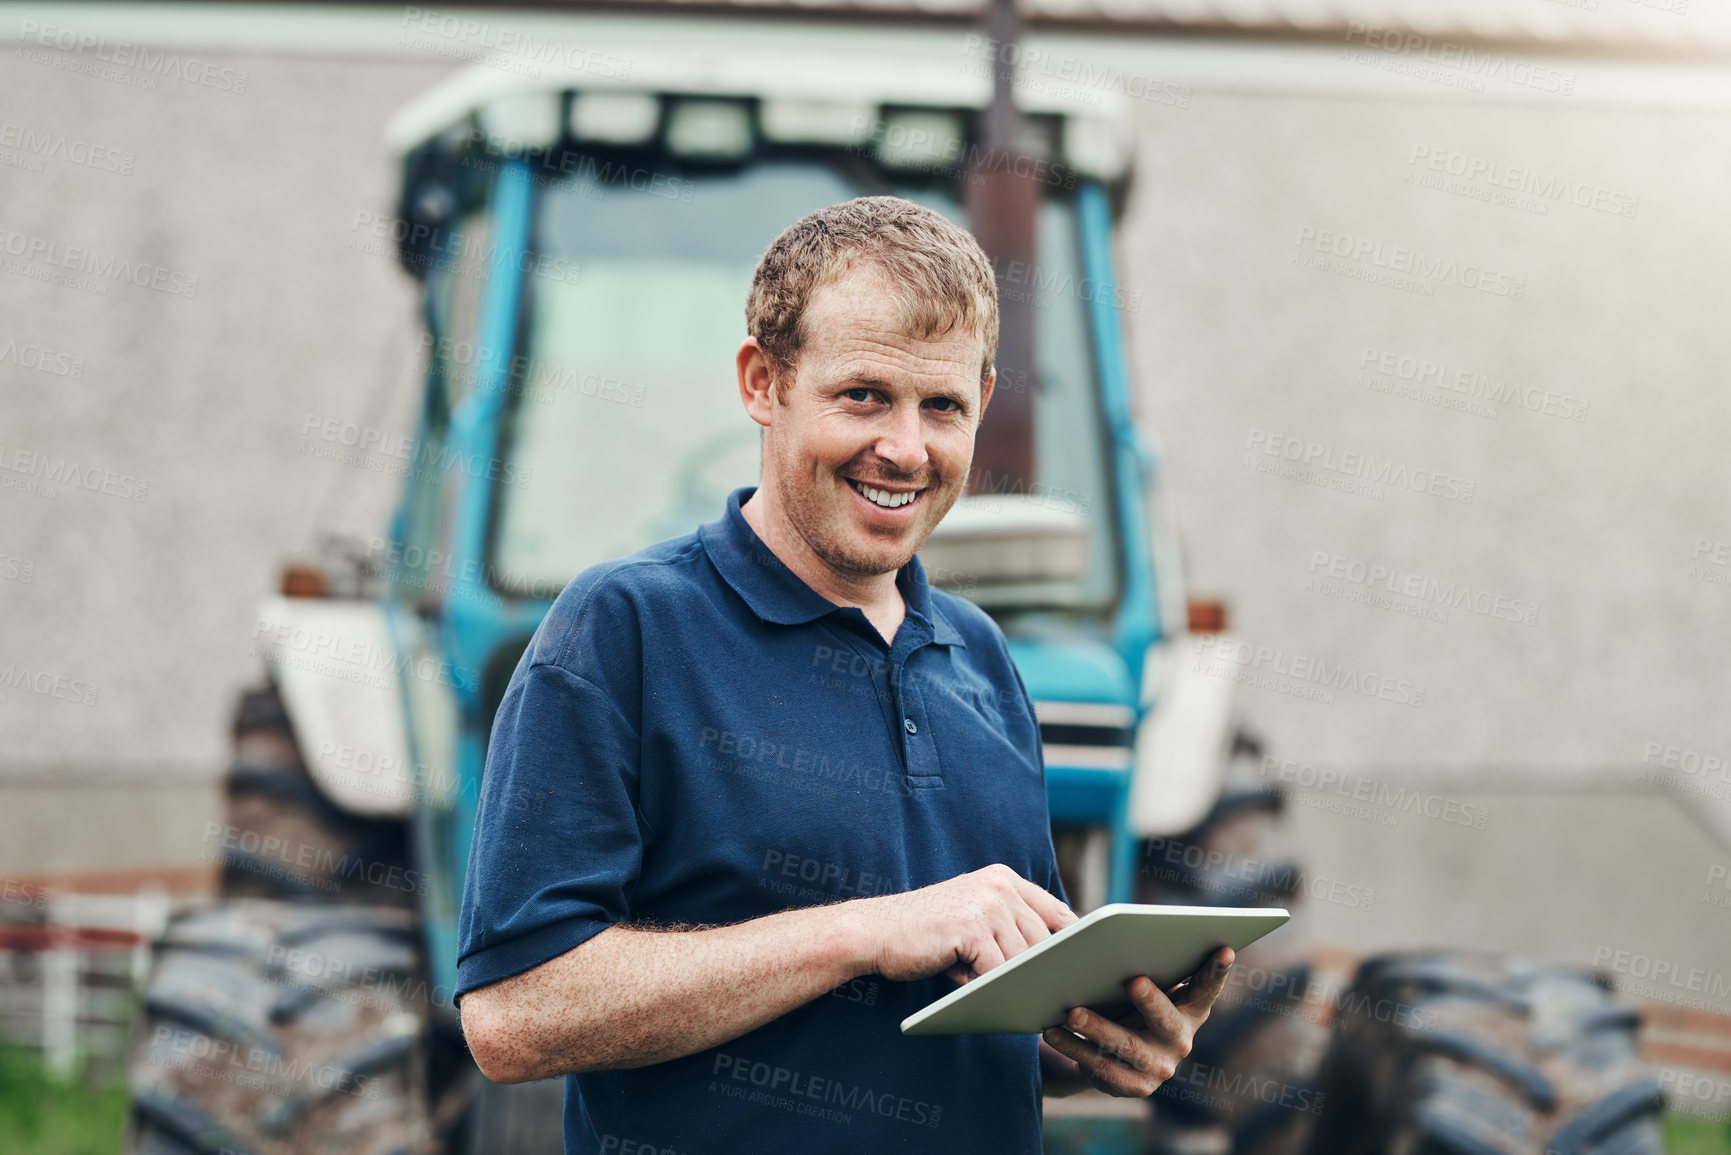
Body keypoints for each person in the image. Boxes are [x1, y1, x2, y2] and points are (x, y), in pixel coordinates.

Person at [455, 195, 1234, 1154]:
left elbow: (961, 1015)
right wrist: (864, 931)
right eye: (863, 394)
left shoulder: (983, 659)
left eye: (941, 405)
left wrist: (1103, 1037)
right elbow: (513, 1015)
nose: (905, 449)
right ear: (762, 382)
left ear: (983, 403)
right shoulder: (624, 629)